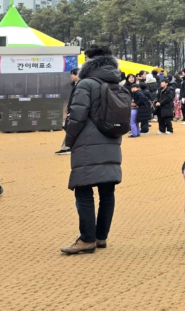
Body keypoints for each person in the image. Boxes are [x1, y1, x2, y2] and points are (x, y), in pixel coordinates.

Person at [61, 45, 124, 255]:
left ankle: (87, 239)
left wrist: (69, 140)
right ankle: (100, 237)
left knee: (83, 190)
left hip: (87, 143)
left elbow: (77, 116)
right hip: (112, 141)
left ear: (90, 60)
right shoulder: (116, 83)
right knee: (107, 192)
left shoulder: (86, 84)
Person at [56, 68, 81, 156]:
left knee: (70, 128)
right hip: (72, 110)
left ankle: (68, 147)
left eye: (73, 74)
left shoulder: (81, 85)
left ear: (78, 75)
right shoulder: (75, 85)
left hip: (76, 111)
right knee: (68, 127)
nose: (71, 76)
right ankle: (67, 147)